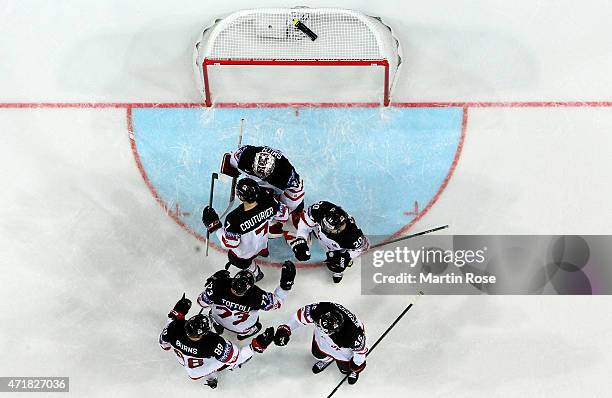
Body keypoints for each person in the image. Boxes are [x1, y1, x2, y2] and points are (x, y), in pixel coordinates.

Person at [159, 294, 274, 389]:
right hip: (201, 368)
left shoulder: (174, 328)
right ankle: (211, 376)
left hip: (186, 362)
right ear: (203, 334)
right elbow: (235, 359)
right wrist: (256, 346)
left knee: (211, 361)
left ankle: (211, 377)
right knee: (228, 363)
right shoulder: (213, 343)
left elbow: (164, 345)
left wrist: (176, 313)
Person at [202, 177, 289, 280]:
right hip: (262, 245)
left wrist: (215, 226)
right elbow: (284, 215)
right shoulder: (269, 201)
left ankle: (256, 273)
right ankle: (263, 253)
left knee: (234, 258)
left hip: (245, 253)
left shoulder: (234, 218)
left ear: (241, 197)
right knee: (260, 243)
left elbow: (229, 243)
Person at [273, 302, 368, 384]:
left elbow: (360, 352)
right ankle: (327, 360)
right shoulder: (320, 309)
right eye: (319, 323)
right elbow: (299, 317)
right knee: (317, 354)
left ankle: (352, 371)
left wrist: (356, 366)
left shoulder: (353, 336)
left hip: (343, 352)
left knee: (345, 370)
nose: (318, 325)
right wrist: (286, 329)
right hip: (322, 341)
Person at [197, 261, 296, 340]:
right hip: (241, 328)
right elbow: (277, 303)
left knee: (213, 310)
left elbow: (201, 302)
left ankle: (218, 324)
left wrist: (214, 279)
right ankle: (243, 334)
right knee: (256, 325)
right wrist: (286, 284)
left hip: (217, 318)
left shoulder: (218, 285)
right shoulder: (257, 296)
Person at [220, 145, 304, 232]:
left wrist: (284, 209)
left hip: (280, 186)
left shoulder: (287, 176)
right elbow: (227, 160)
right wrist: (231, 169)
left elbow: (292, 198)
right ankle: (271, 218)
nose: (261, 175)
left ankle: (293, 214)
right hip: (265, 183)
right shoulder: (244, 156)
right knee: (252, 198)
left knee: (292, 206)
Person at [288, 200, 369, 283]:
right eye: (324, 225)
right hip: (318, 230)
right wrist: (301, 238)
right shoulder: (321, 209)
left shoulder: (353, 237)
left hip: (336, 247)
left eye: (328, 229)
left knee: (337, 263)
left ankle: (338, 270)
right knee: (301, 235)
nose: (325, 230)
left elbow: (364, 247)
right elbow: (305, 223)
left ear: (340, 228)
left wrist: (346, 256)